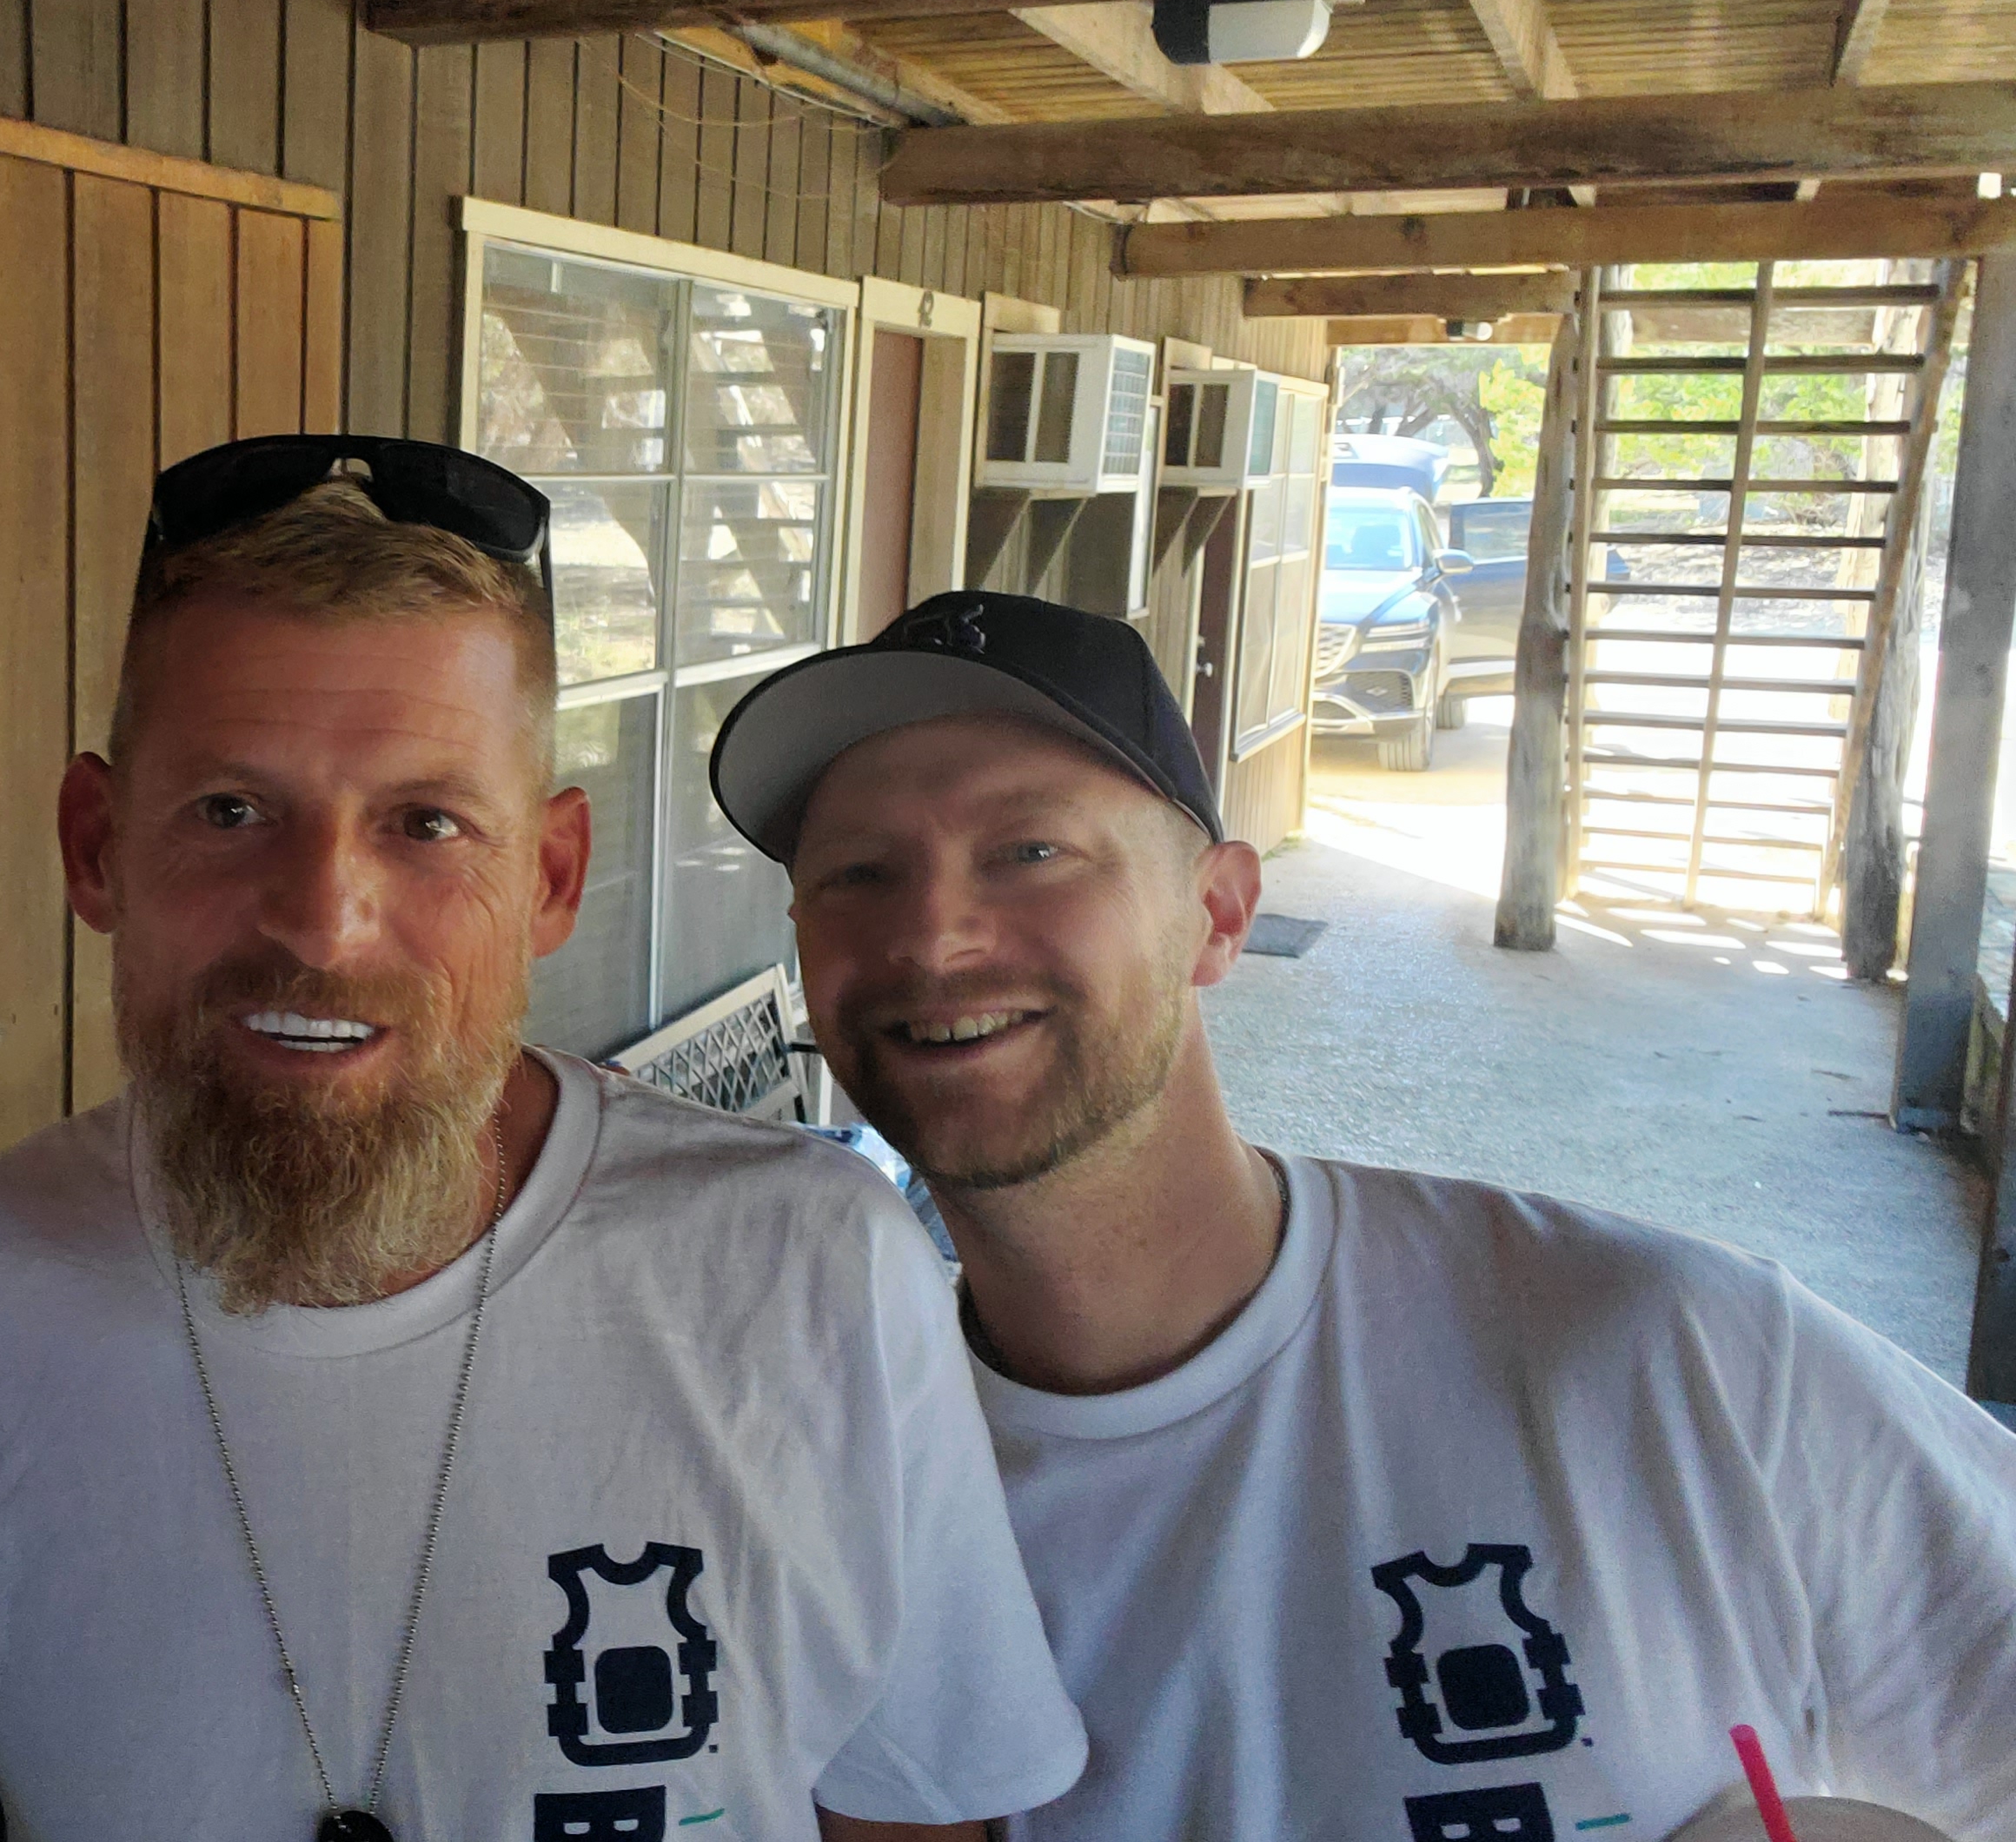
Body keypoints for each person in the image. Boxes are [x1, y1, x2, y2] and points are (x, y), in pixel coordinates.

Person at [0, 438, 1088, 1842]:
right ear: (96, 847)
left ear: (552, 876)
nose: (325, 921)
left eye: (427, 824)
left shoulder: (810, 1273)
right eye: (230, 811)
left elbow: (914, 1811)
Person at [709, 587, 2016, 1841]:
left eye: (1030, 852)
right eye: (859, 873)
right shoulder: (828, 1485)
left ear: (1220, 914)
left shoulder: (1673, 1356)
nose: (933, 938)